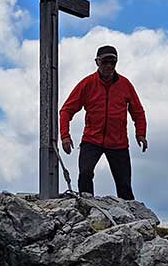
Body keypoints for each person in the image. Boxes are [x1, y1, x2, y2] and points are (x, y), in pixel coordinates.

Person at [59, 45, 147, 200]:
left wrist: (141, 134)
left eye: (113, 62)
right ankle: (88, 207)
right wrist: (65, 136)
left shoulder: (125, 85)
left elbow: (138, 112)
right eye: (105, 61)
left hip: (118, 143)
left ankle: (132, 219)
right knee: (85, 174)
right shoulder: (87, 84)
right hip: (92, 140)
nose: (109, 66)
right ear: (97, 62)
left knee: (124, 185)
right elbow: (66, 110)